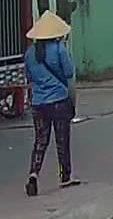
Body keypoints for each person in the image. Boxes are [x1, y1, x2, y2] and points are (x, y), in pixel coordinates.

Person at [23, 11, 79, 197]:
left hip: (38, 103)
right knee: (62, 141)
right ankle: (64, 176)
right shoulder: (59, 49)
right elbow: (69, 75)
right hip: (59, 101)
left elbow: (29, 77)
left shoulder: (30, 53)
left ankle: (33, 174)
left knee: (40, 141)